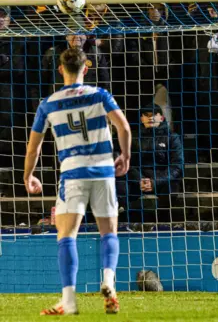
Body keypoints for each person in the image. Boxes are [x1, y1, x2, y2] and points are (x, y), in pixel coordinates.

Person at [23, 48, 131, 315]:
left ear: (61, 69)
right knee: (109, 232)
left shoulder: (48, 102)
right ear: (87, 67)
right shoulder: (100, 95)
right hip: (104, 170)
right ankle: (108, 282)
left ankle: (69, 301)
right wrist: (125, 155)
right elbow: (123, 127)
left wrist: (28, 175)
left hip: (73, 172)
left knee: (66, 235)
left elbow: (33, 148)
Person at [116, 103, 183, 223]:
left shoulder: (172, 138)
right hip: (138, 179)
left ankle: (164, 222)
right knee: (120, 183)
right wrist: (139, 179)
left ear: (161, 118)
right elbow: (127, 162)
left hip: (161, 180)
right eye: (146, 115)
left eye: (154, 115)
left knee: (171, 189)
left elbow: (177, 166)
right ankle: (123, 220)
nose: (150, 118)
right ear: (142, 118)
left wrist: (155, 181)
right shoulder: (132, 138)